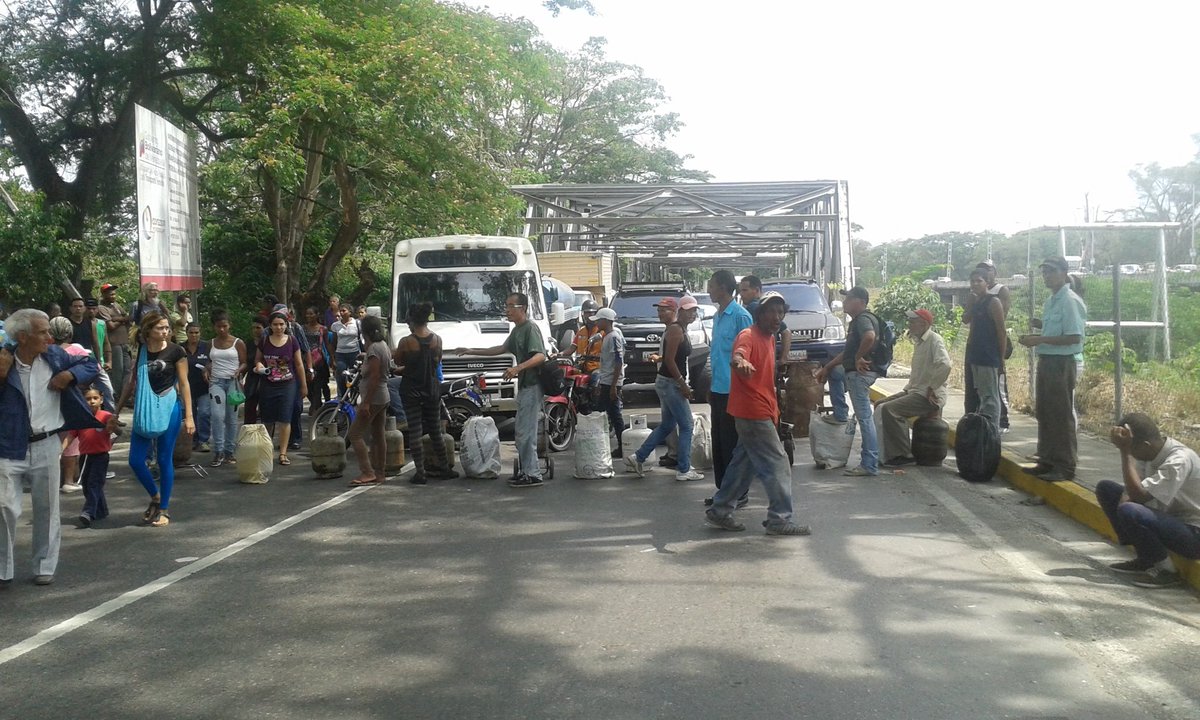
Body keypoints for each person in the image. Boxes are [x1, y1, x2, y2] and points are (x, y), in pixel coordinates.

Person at [0, 309, 102, 586]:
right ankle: (3, 570)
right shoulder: (4, 360)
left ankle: (44, 566)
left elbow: (91, 364)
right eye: (43, 332)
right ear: (23, 336)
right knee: (4, 507)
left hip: (46, 442)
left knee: (47, 507)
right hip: (8, 445)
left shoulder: (55, 356)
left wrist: (69, 376)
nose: (50, 336)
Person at [705, 292, 810, 536]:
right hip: (753, 411)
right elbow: (739, 355)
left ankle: (720, 510)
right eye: (771, 311)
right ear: (759, 314)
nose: (776, 317)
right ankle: (779, 519)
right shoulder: (749, 334)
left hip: (759, 409)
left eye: (780, 312)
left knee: (744, 463)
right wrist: (740, 362)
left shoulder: (770, 338)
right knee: (779, 463)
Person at [1098, 413, 1200, 588]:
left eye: (1133, 450)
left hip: (1193, 534)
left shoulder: (1179, 460)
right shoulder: (1150, 454)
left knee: (1129, 510)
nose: (1132, 455)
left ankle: (1167, 571)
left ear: (1145, 445)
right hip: (1170, 520)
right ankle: (1146, 557)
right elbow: (1132, 486)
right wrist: (1125, 497)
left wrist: (1125, 453)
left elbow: (1140, 495)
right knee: (1106, 489)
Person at [456, 292, 547, 488]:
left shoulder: (530, 328)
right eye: (506, 305)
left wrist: (518, 368)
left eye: (510, 306)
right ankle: (525, 471)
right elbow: (500, 349)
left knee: (526, 433)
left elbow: (540, 356)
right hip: (524, 386)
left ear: (522, 308)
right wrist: (472, 351)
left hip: (532, 385)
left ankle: (533, 474)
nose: (506, 310)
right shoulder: (517, 331)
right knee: (521, 432)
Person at [115, 312, 194, 527]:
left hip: (169, 407)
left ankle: (165, 510)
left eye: (167, 328)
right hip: (145, 409)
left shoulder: (176, 351)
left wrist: (189, 417)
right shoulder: (141, 350)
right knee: (135, 460)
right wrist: (116, 410)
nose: (165, 332)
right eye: (160, 328)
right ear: (148, 330)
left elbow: (185, 384)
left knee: (163, 459)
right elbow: (132, 383)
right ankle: (156, 497)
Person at [1018, 256, 1086, 482]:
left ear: (1064, 273)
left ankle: (1065, 465)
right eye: (1045, 271)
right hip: (1047, 361)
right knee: (1045, 412)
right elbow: (1058, 330)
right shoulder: (1052, 301)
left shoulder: (1070, 300)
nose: (1047, 275)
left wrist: (1039, 339)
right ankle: (1047, 460)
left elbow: (1074, 337)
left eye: (1052, 271)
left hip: (1061, 363)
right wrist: (1041, 327)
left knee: (1060, 414)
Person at [624, 295, 705, 482]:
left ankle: (638, 457)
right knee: (686, 426)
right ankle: (684, 469)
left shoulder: (677, 328)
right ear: (680, 311)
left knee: (668, 425)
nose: (692, 314)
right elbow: (669, 360)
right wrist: (682, 384)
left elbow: (670, 358)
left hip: (666, 381)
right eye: (688, 310)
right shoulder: (676, 330)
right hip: (671, 383)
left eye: (694, 311)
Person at [874, 309, 951, 466]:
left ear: (923, 323)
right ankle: (885, 452)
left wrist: (932, 387)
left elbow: (945, 364)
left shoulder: (935, 340)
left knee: (890, 410)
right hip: (915, 390)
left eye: (912, 321)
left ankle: (903, 454)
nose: (909, 324)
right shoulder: (919, 342)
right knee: (879, 405)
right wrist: (907, 390)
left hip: (928, 394)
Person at [817, 286, 880, 476]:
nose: (844, 302)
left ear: (860, 302)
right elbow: (847, 353)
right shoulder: (858, 322)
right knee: (836, 373)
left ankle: (869, 464)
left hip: (860, 374)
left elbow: (870, 337)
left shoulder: (863, 320)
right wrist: (827, 367)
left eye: (848, 299)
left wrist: (858, 357)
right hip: (855, 371)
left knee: (865, 419)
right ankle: (841, 413)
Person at [393, 304, 456, 485]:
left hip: (411, 390)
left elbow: (398, 360)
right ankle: (444, 468)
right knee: (436, 429)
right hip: (432, 388)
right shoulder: (437, 339)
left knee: (415, 430)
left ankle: (420, 472)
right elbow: (437, 362)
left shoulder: (406, 342)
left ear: (411, 320)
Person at [707, 269, 753, 498]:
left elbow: (749, 355)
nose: (708, 290)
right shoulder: (717, 316)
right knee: (719, 442)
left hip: (734, 390)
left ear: (723, 288)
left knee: (733, 442)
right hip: (718, 388)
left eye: (712, 285)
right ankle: (724, 491)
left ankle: (739, 492)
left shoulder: (740, 316)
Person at [253, 311, 307, 469]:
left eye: (282, 324)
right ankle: (266, 450)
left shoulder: (292, 341)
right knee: (267, 420)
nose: (279, 327)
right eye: (275, 324)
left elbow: (298, 364)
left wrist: (303, 385)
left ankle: (283, 453)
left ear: (286, 325)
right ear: (270, 326)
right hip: (268, 384)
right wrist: (259, 366)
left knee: (285, 419)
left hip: (288, 384)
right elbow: (258, 360)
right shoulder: (264, 341)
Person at [963, 260, 1011, 430]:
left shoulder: (993, 302)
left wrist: (1001, 359)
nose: (975, 284)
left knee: (991, 397)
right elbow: (966, 320)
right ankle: (983, 429)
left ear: (987, 283)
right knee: (981, 395)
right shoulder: (976, 302)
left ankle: (993, 430)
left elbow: (1001, 331)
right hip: (975, 355)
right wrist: (970, 303)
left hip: (988, 356)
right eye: (973, 281)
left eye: (979, 281)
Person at [346, 316, 392, 487]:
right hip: (383, 396)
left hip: (374, 397)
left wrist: (366, 402)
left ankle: (367, 472)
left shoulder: (373, 348)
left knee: (355, 434)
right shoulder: (382, 346)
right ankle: (380, 472)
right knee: (378, 434)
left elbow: (374, 376)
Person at [73, 387, 120, 527]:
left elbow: (118, 431)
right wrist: (61, 449)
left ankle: (88, 512)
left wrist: (111, 431)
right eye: (88, 399)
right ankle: (101, 510)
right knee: (87, 486)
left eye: (95, 398)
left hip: (101, 456)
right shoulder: (81, 417)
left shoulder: (106, 416)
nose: (92, 401)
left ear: (101, 400)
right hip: (85, 456)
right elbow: (72, 435)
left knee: (95, 483)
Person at [207, 311, 246, 467]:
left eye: (224, 326)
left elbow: (244, 362)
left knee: (231, 417)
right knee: (217, 415)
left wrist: (239, 370)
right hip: (216, 382)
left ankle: (230, 450)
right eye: (219, 326)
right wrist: (206, 368)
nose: (222, 329)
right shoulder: (211, 343)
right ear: (214, 327)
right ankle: (218, 450)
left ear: (229, 325)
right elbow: (209, 361)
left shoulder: (238, 342)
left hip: (232, 382)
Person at [591, 307, 626, 459]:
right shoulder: (607, 336)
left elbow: (618, 362)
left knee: (609, 414)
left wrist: (613, 386)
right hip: (606, 380)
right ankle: (617, 444)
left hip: (612, 382)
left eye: (599, 320)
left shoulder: (613, 337)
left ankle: (621, 445)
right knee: (608, 413)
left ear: (606, 321)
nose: (597, 323)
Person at [97, 282, 132, 403]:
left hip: (124, 342)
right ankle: (115, 396)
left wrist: (118, 319)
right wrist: (121, 320)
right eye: (110, 293)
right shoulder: (101, 308)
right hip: (113, 343)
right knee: (118, 371)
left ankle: (125, 397)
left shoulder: (116, 305)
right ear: (103, 294)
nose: (113, 295)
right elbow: (110, 326)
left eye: (113, 293)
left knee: (127, 370)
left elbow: (128, 318)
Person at [183, 323, 212, 452]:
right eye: (191, 332)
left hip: (204, 386)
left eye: (196, 332)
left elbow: (213, 361)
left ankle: (204, 440)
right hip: (187, 387)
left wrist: (208, 368)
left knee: (204, 413)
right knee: (190, 414)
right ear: (186, 333)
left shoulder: (207, 347)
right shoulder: (180, 348)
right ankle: (192, 440)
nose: (194, 335)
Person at [330, 303, 362, 398]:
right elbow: (333, 342)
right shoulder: (335, 325)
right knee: (341, 375)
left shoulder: (357, 323)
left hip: (354, 353)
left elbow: (362, 339)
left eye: (344, 310)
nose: (341, 313)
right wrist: (332, 358)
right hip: (340, 354)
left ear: (350, 312)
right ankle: (344, 397)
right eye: (340, 311)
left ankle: (353, 396)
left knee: (354, 377)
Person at [303, 306, 332, 408]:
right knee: (309, 385)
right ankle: (315, 404)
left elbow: (327, 344)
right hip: (306, 359)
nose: (309, 316)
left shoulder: (323, 329)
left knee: (320, 384)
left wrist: (332, 358)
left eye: (311, 314)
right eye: (307, 314)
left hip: (319, 360)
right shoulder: (302, 328)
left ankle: (319, 406)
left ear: (317, 315)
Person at [565, 299, 604, 373]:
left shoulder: (602, 331)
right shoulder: (581, 331)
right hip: (582, 365)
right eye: (586, 313)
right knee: (567, 374)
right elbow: (572, 348)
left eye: (592, 313)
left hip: (597, 367)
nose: (589, 315)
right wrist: (560, 354)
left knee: (595, 377)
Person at [242, 316, 268, 426]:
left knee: (266, 409)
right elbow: (244, 361)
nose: (255, 330)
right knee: (249, 408)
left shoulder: (269, 342)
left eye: (258, 327)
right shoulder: (247, 343)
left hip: (266, 378)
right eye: (253, 328)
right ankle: (248, 434)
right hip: (252, 378)